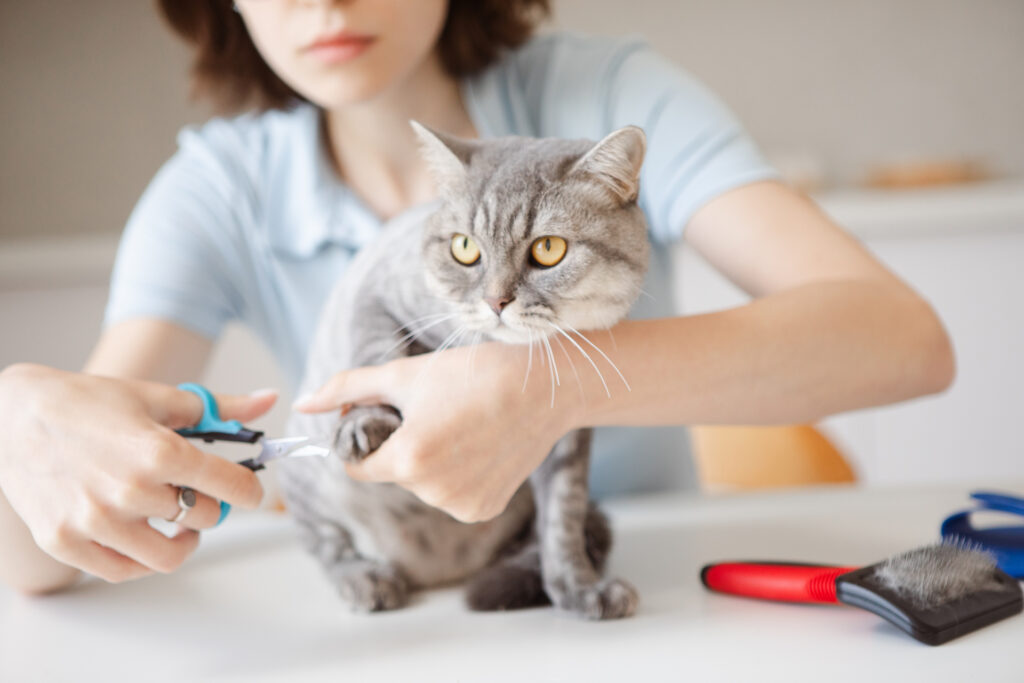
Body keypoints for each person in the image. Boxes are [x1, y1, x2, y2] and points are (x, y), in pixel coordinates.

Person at [0, 0, 955, 595]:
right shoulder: (217, 189)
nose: (324, 0)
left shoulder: (610, 93)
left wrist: (556, 387)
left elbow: (903, 341)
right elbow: (41, 559)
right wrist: (20, 424)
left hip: (647, 604)